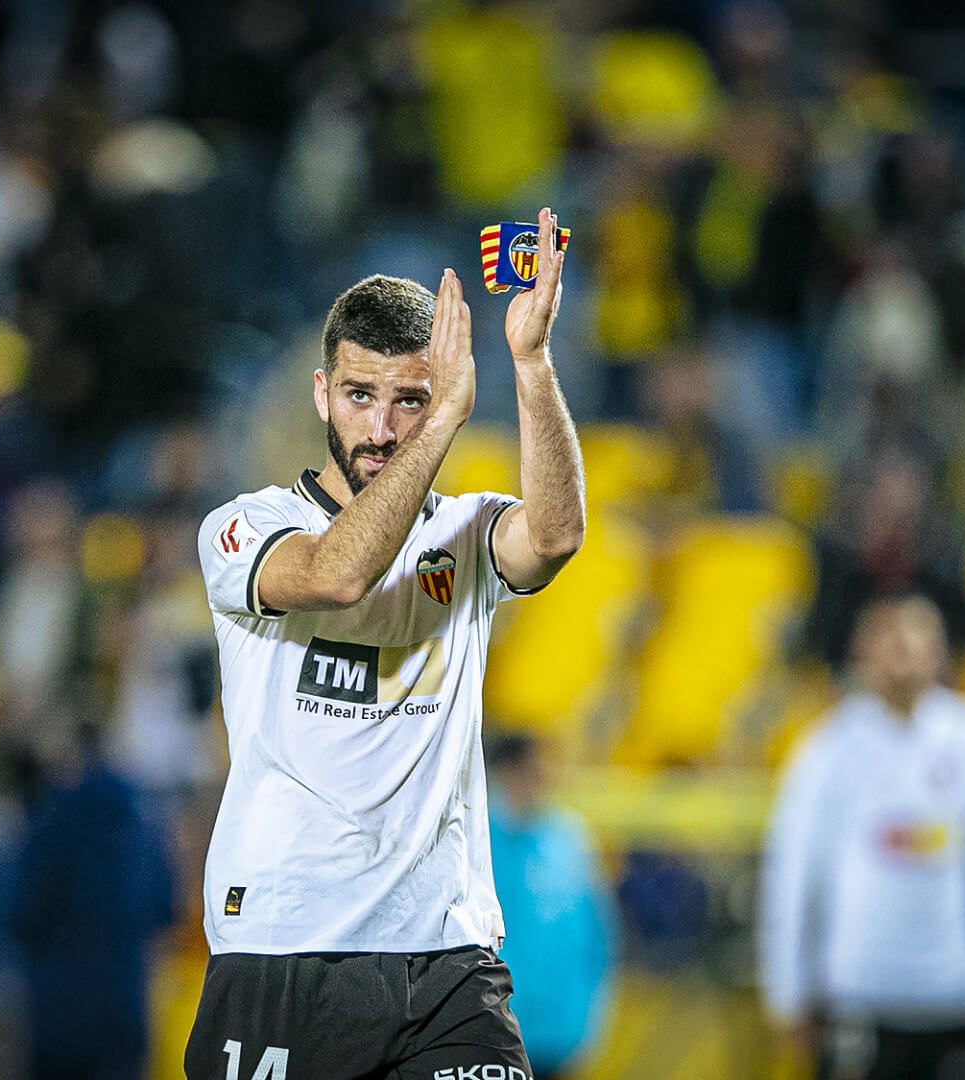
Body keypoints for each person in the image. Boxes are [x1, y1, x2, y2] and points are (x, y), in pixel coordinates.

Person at [185, 207, 586, 1078]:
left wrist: (531, 362)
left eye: (410, 400)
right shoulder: (245, 526)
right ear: (321, 393)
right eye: (361, 395)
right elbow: (338, 575)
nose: (382, 428)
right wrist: (442, 423)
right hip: (286, 946)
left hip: (447, 958)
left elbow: (555, 535)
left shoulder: (464, 534)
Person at [761, 595, 965, 1080]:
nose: (901, 646)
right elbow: (793, 874)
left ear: (941, 650)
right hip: (859, 990)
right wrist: (787, 990)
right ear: (861, 651)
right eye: (887, 634)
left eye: (916, 632)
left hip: (952, 991)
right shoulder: (827, 748)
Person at [14, 719, 175, 1080]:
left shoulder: (49, 825)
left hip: (57, 1012)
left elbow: (22, 914)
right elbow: (164, 911)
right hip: (123, 1006)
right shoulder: (145, 826)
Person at [486, 733, 614, 1080]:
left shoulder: (569, 838)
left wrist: (591, 1017)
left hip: (558, 1033)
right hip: (491, 1031)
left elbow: (598, 935)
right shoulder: (476, 838)